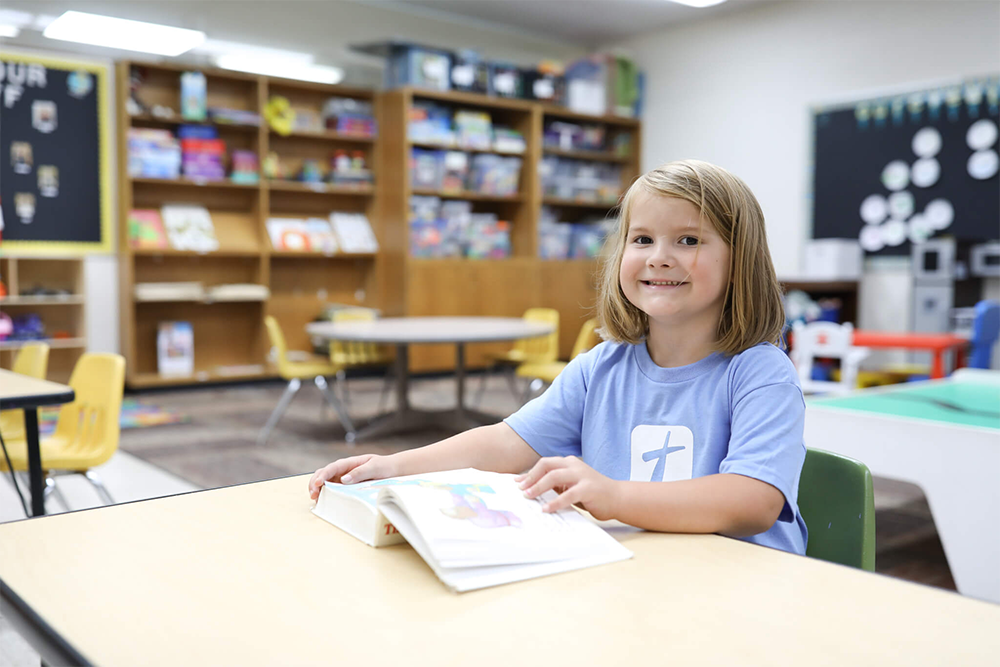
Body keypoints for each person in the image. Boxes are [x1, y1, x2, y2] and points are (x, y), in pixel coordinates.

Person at [309, 159, 807, 554]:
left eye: (689, 240)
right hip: (642, 572)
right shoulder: (600, 367)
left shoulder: (759, 372)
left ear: (740, 261)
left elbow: (753, 501)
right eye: (642, 239)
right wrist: (395, 465)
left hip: (740, 585)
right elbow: (506, 444)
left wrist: (614, 497)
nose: (659, 256)